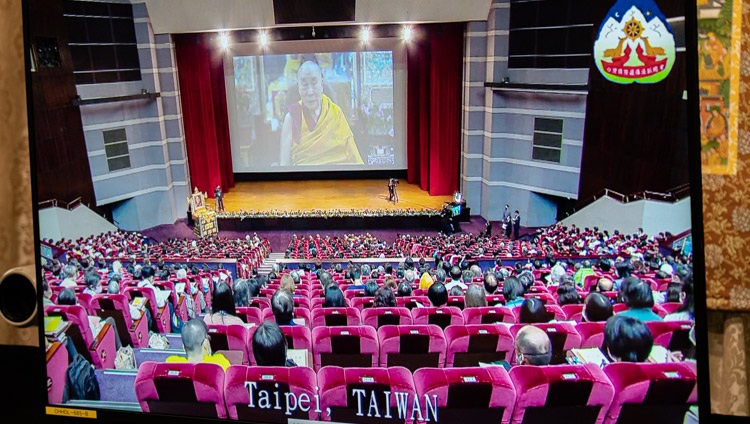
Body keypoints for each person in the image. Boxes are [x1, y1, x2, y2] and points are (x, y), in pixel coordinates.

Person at [279, 61, 363, 166]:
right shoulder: (291, 118)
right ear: (299, 88)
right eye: (304, 85)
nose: (310, 92)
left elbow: (354, 157)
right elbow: (284, 166)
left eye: (314, 84)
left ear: (322, 85)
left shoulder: (335, 113)